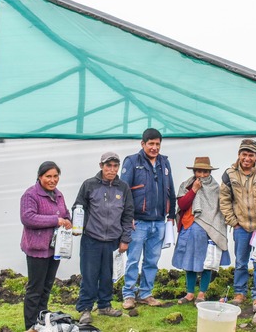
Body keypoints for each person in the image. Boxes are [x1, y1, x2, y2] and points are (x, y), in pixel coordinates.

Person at [74, 152, 135, 324]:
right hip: (91, 239)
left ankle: (104, 305)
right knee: (89, 275)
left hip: (113, 241)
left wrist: (125, 239)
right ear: (101, 166)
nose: (112, 169)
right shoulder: (89, 185)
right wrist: (79, 227)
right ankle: (85, 309)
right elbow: (79, 207)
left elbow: (128, 213)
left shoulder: (123, 188)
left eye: (116, 166)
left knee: (108, 275)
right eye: (109, 165)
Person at [220, 138, 256, 312]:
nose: (247, 158)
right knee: (240, 262)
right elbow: (224, 201)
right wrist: (234, 222)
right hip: (241, 228)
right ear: (239, 155)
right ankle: (239, 293)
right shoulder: (229, 174)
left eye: (250, 155)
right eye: (244, 154)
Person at [120, 128, 176, 309]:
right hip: (138, 222)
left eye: (157, 144)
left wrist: (171, 215)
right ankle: (128, 294)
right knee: (133, 260)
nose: (154, 147)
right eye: (151, 143)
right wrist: (127, 218)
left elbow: (171, 190)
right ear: (142, 144)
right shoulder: (132, 161)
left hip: (159, 221)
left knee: (152, 260)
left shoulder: (164, 163)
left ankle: (145, 293)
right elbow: (124, 191)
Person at [20, 161, 72, 332]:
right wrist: (55, 220)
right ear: (40, 176)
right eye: (48, 176)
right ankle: (30, 326)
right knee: (35, 289)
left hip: (54, 249)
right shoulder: (31, 195)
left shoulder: (58, 195)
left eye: (55, 176)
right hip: (37, 249)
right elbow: (28, 218)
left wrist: (69, 222)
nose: (52, 180)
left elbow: (65, 214)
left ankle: (41, 322)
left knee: (47, 287)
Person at [172, 157, 230, 305]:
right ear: (194, 171)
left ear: (209, 172)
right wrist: (194, 190)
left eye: (205, 171)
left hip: (207, 230)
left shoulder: (216, 188)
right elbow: (182, 204)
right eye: (199, 171)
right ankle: (190, 293)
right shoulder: (186, 185)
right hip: (188, 227)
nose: (202, 174)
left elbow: (218, 210)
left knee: (206, 262)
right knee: (189, 262)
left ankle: (202, 294)